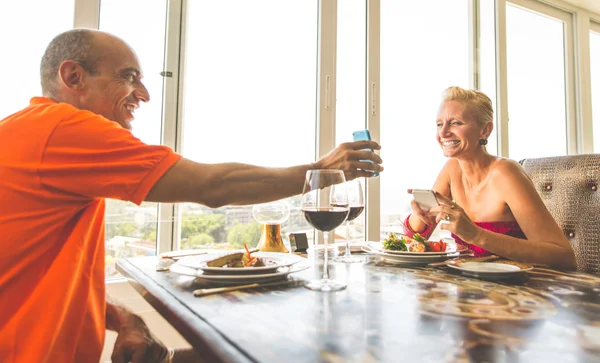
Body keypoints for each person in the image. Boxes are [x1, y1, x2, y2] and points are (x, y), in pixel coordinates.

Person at [0, 28, 383, 363]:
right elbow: (214, 186)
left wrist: (122, 317)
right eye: (129, 76)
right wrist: (324, 170)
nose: (145, 94)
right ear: (73, 76)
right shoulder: (63, 129)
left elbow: (28, 275)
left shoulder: (31, 134)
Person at [403, 86, 576, 270]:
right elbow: (413, 239)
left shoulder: (505, 173)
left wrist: (476, 235)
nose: (443, 133)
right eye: (439, 124)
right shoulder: (452, 169)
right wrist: (421, 212)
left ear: (485, 130)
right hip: (471, 287)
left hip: (517, 289)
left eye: (456, 123)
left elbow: (564, 256)